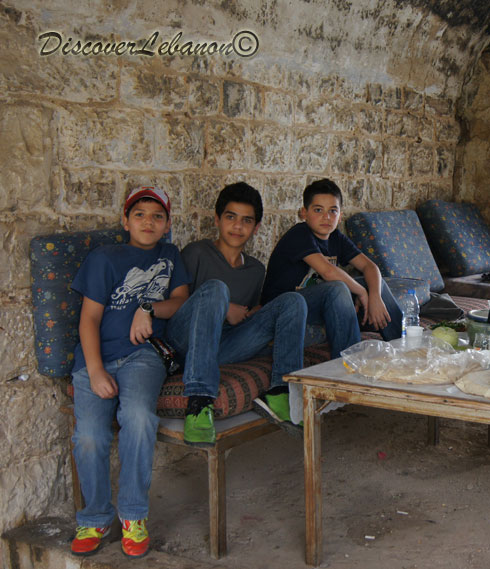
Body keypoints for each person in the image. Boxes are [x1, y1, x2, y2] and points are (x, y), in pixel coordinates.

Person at [70, 186, 190, 558]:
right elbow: (88, 319)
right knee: (90, 435)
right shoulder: (104, 258)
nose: (148, 222)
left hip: (143, 355)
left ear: (167, 224)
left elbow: (182, 302)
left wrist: (149, 308)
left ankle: (133, 516)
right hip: (97, 358)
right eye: (139, 214)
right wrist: (94, 371)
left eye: (157, 216)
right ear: (125, 221)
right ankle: (94, 517)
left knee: (138, 417)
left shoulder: (170, 255)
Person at [164, 182, 309, 445]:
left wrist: (255, 315)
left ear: (256, 227)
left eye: (246, 221)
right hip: (187, 345)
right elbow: (179, 305)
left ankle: (280, 392)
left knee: (292, 302)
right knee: (217, 289)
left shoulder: (255, 270)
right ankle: (199, 402)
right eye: (231, 217)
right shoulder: (196, 253)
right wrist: (224, 307)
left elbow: (243, 318)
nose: (237, 227)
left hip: (225, 346)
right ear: (218, 219)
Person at [260, 178, 403, 347]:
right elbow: (328, 272)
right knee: (338, 287)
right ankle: (349, 362)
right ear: (304, 213)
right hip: (286, 308)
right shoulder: (299, 234)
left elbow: (369, 266)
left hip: (318, 304)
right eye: (318, 210)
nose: (326, 217)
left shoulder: (336, 238)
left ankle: (402, 348)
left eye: (333, 211)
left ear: (340, 216)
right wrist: (362, 293)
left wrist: (375, 296)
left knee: (376, 284)